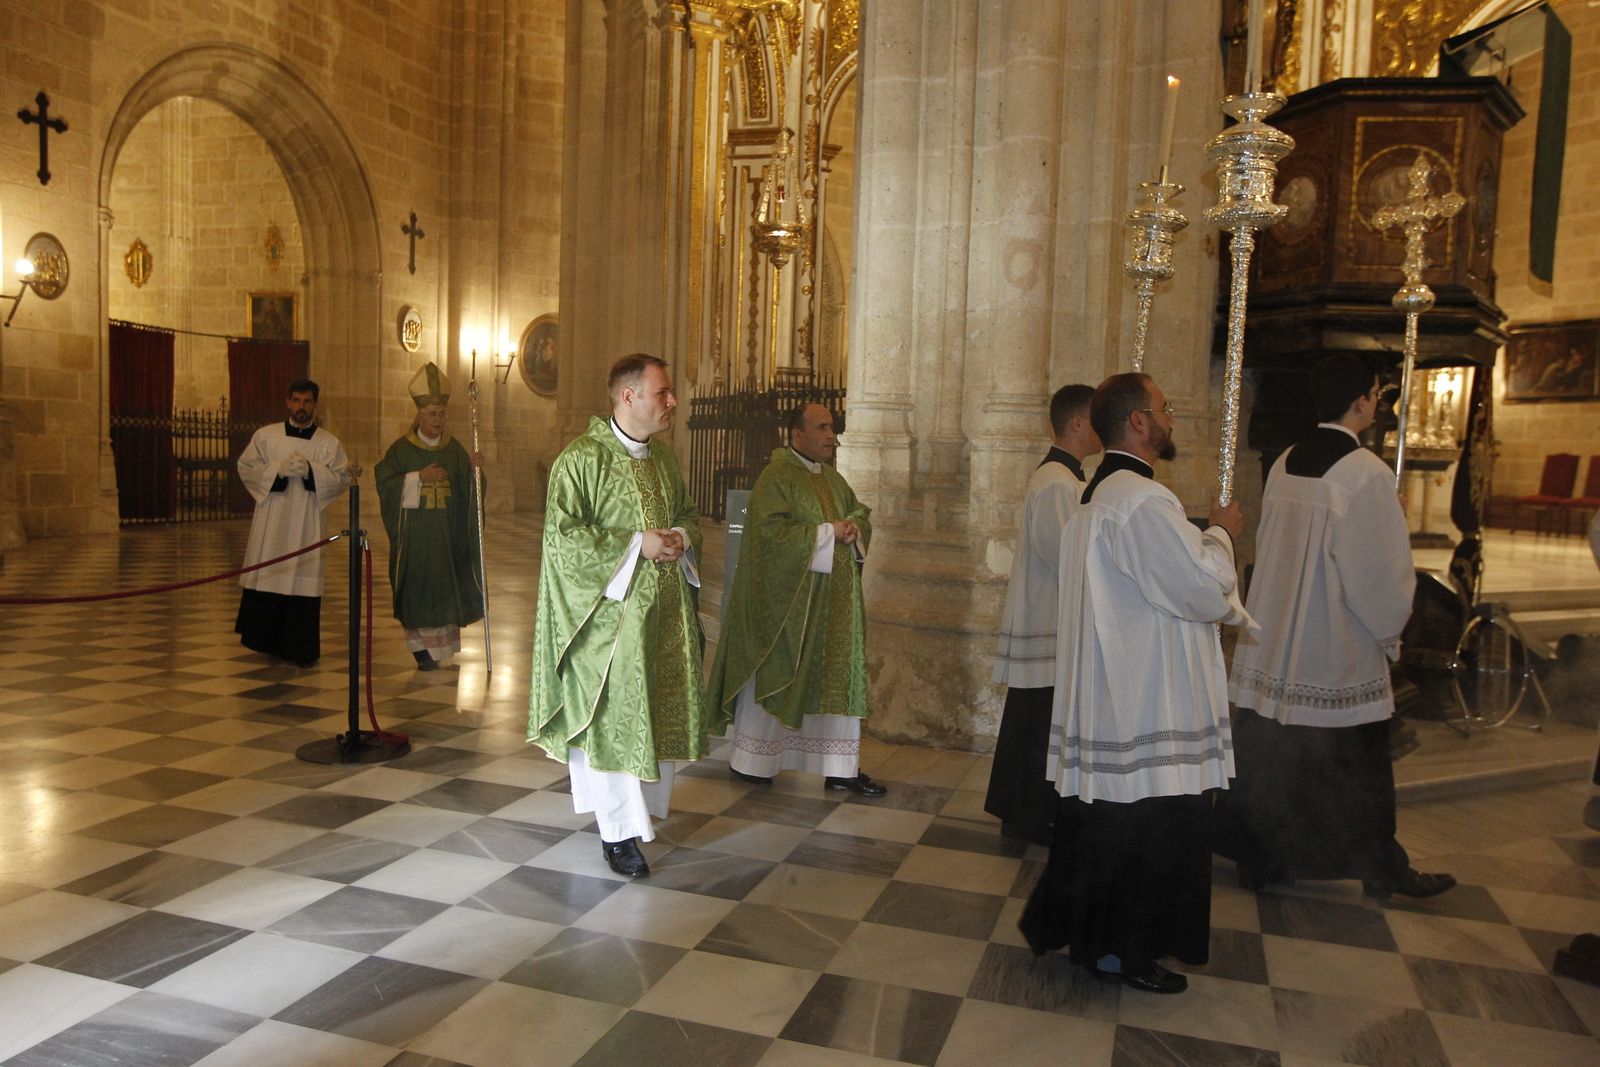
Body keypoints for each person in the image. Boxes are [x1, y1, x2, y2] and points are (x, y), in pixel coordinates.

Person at [1019, 372, 1247, 995]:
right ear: (1139, 422)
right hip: (1147, 697)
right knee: (1148, 825)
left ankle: (1096, 940)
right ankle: (1124, 951)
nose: (1172, 419)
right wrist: (1222, 532)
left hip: (1115, 688)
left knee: (1106, 821)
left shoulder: (1099, 493)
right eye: (1165, 408)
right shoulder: (1143, 501)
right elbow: (1200, 590)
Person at [1227, 354, 1455, 899]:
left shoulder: (1285, 461)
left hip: (1278, 638)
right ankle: (1380, 867)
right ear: (1361, 400)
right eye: (1376, 392)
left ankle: (1264, 860)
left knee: (1276, 754)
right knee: (1352, 764)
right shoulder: (1367, 473)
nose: (1377, 402)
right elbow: (1377, 574)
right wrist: (1390, 630)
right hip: (1333, 643)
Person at [527, 354, 707, 878]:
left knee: (652, 715)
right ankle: (618, 833)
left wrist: (680, 537)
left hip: (663, 617)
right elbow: (562, 541)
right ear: (629, 396)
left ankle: (640, 815)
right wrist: (636, 545)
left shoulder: (665, 459)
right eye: (663, 392)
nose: (673, 401)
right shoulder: (581, 460)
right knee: (612, 720)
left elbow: (687, 513)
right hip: (607, 629)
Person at [704, 403, 884, 797]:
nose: (830, 435)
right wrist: (827, 533)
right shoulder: (776, 477)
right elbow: (769, 535)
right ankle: (755, 760)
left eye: (832, 427)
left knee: (836, 675)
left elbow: (857, 512)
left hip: (834, 607)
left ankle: (840, 767)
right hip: (790, 609)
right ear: (797, 434)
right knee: (777, 670)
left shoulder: (832, 479)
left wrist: (854, 527)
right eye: (821, 427)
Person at [986, 384, 1101, 843]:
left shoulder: (1065, 477)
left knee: (1036, 722)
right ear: (1077, 423)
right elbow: (1064, 554)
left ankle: (1030, 813)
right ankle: (1026, 816)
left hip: (1052, 619)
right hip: (1049, 621)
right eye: (1096, 418)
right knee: (1035, 726)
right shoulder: (1057, 481)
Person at [234, 378, 358, 667]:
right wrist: (277, 470)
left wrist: (311, 471)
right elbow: (246, 467)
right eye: (297, 400)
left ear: (315, 404)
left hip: (306, 526)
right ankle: (266, 641)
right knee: (271, 571)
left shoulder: (328, 443)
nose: (302, 407)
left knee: (302, 577)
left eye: (307, 401)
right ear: (288, 402)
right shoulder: (266, 436)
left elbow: (342, 477)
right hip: (272, 523)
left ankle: (299, 648)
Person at [374, 362, 486, 670]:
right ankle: (421, 651)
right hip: (415, 539)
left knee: (444, 588)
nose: (438, 420)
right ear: (419, 415)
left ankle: (441, 649)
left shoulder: (455, 450)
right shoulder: (401, 451)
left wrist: (474, 471)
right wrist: (417, 477)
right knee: (417, 589)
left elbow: (469, 492)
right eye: (432, 414)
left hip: (447, 538)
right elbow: (385, 482)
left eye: (442, 414)